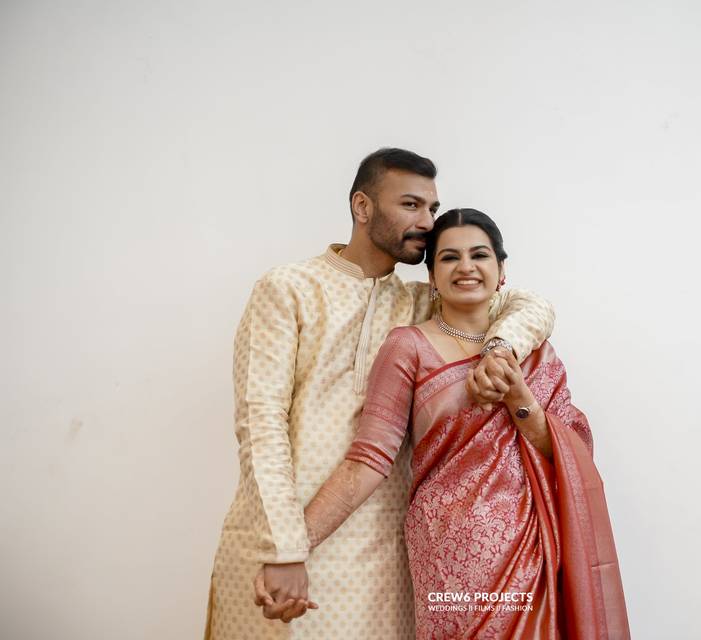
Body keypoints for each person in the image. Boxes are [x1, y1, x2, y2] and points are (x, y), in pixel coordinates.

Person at [205, 150, 555, 640]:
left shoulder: (419, 302)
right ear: (362, 207)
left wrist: (499, 348)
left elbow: (529, 302)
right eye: (411, 205)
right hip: (281, 538)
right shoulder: (288, 289)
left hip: (385, 559)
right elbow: (260, 426)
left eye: (432, 208)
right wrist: (286, 548)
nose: (427, 222)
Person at [266, 208, 630, 638]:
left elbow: (574, 451)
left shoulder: (535, 352)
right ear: (432, 278)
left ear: (501, 270)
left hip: (532, 544)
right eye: (449, 258)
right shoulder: (409, 347)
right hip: (448, 545)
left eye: (479, 255)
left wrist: (518, 394)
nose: (466, 267)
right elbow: (368, 459)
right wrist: (291, 548)